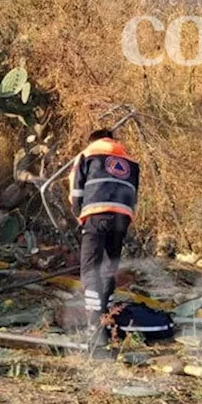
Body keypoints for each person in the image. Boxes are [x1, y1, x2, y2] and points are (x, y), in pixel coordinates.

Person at [70, 129, 140, 357]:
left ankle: (94, 327)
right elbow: (133, 192)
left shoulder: (88, 153)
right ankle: (105, 318)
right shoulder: (130, 160)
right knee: (108, 270)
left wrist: (79, 214)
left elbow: (76, 188)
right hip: (122, 217)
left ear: (94, 140)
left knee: (90, 270)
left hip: (96, 215)